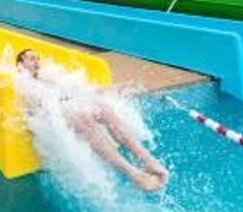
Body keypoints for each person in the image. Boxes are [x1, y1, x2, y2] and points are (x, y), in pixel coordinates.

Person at [16, 49, 169, 191]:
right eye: (31, 59)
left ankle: (148, 160)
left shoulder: (48, 78)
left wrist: (106, 90)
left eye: (37, 58)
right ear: (20, 64)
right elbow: (33, 108)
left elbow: (76, 90)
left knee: (104, 109)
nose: (37, 62)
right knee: (82, 117)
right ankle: (134, 174)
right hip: (54, 113)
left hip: (71, 104)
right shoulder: (22, 82)